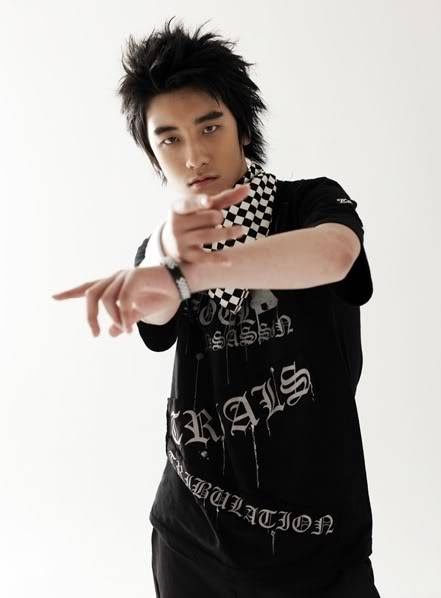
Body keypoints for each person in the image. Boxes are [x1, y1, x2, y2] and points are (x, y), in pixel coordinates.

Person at [56, 16, 381, 597]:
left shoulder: (308, 202)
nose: (193, 156)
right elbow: (154, 308)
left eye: (210, 127)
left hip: (317, 544)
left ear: (243, 129)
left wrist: (196, 270)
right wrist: (164, 258)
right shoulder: (162, 252)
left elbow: (335, 256)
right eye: (169, 139)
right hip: (192, 544)